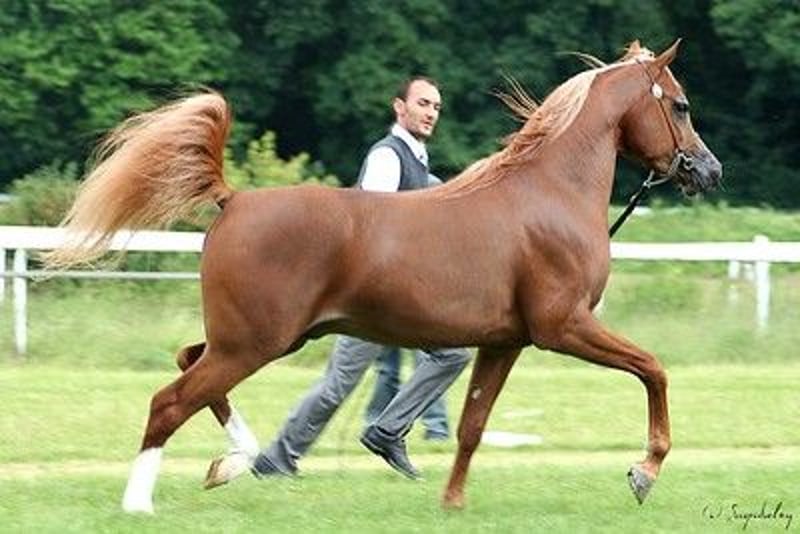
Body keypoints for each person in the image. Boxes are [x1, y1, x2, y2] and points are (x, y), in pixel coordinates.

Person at [250, 76, 471, 480]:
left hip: (398, 298)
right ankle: (278, 458)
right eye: (423, 103)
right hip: (370, 299)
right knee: (338, 384)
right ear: (399, 107)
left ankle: (386, 430)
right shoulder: (388, 157)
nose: (431, 113)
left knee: (452, 353)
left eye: (436, 107)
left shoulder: (418, 162)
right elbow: (368, 223)